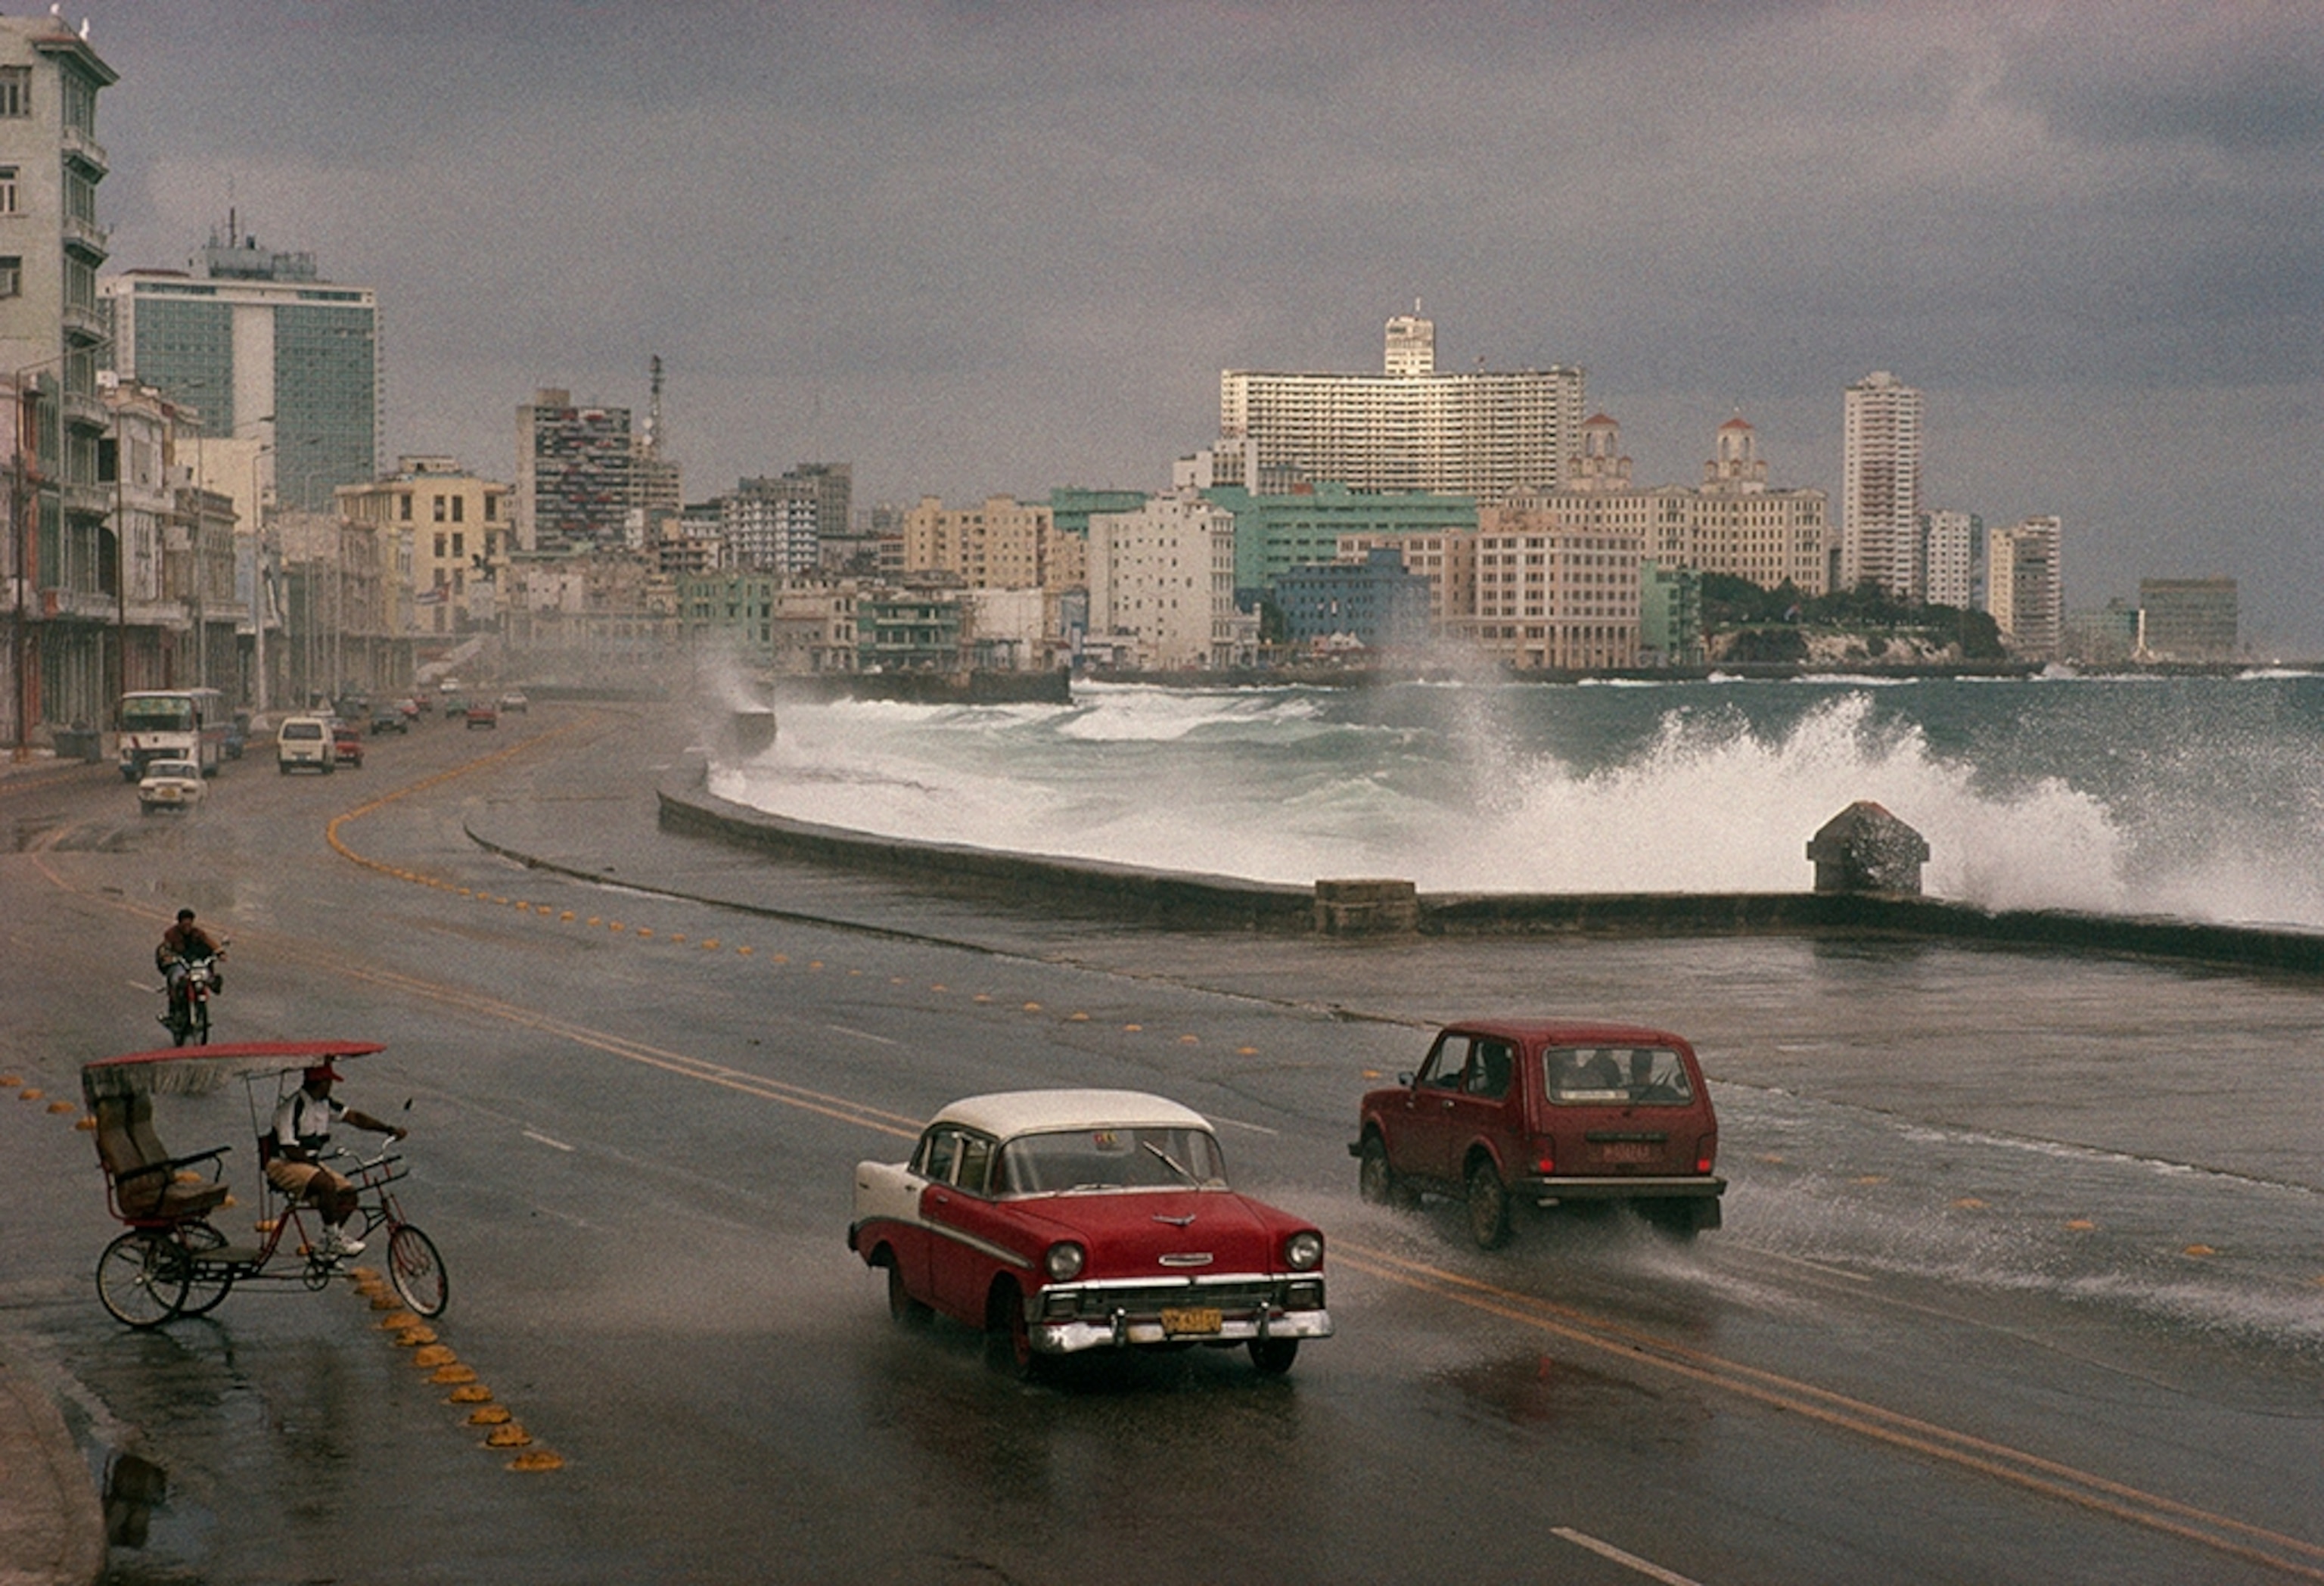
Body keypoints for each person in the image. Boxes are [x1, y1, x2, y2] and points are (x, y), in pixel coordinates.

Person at [266, 1062, 407, 1257]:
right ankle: (334, 1239)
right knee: (327, 1184)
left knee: (349, 1194)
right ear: (318, 1082)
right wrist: (316, 1169)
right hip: (283, 1164)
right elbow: (288, 1147)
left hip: (309, 1162)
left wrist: (388, 1129)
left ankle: (326, 1244)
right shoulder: (291, 1108)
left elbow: (355, 1118)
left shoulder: (324, 1104)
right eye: (328, 1081)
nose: (331, 1085)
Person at [154, 908, 224, 1024]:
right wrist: (167, 957)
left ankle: (212, 983)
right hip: (179, 964)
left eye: (189, 923)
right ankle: (174, 1012)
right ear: (179, 922)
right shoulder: (171, 934)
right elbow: (164, 948)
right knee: (177, 980)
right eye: (184, 923)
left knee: (205, 974)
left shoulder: (198, 933)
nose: (187, 926)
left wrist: (220, 952)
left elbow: (209, 942)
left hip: (194, 965)